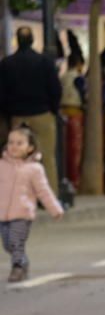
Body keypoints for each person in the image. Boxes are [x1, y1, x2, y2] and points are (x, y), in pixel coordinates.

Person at [0, 27, 62, 193]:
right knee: (47, 156)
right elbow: (55, 89)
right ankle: (49, 195)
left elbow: (2, 92)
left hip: (17, 116)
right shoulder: (45, 62)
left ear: (17, 40)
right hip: (42, 114)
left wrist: (9, 112)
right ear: (32, 40)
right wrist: (53, 109)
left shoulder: (7, 64)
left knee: (15, 157)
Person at [0, 125, 64, 282]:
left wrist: (54, 209)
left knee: (16, 242)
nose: (14, 146)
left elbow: (43, 191)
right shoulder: (2, 165)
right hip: (3, 213)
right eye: (11, 142)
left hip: (22, 214)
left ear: (30, 148)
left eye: (19, 143)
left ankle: (18, 267)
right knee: (8, 244)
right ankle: (23, 261)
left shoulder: (34, 169)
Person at [59, 53, 87, 190]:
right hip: (75, 114)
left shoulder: (62, 77)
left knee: (64, 148)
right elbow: (84, 94)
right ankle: (74, 179)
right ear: (78, 64)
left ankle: (66, 177)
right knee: (75, 149)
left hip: (63, 114)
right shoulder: (79, 78)